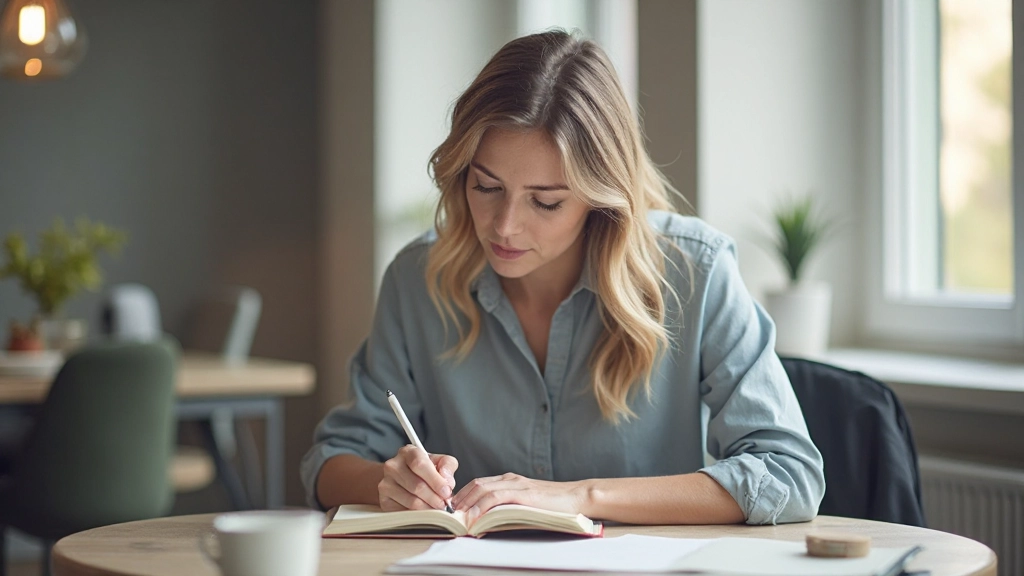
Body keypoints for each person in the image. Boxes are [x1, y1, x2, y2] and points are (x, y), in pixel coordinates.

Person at [302, 30, 824, 526]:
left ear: (602, 198)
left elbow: (788, 473)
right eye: (486, 187)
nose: (504, 226)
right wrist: (386, 484)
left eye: (546, 201)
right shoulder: (418, 280)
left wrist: (578, 496)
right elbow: (329, 461)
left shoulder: (695, 272)